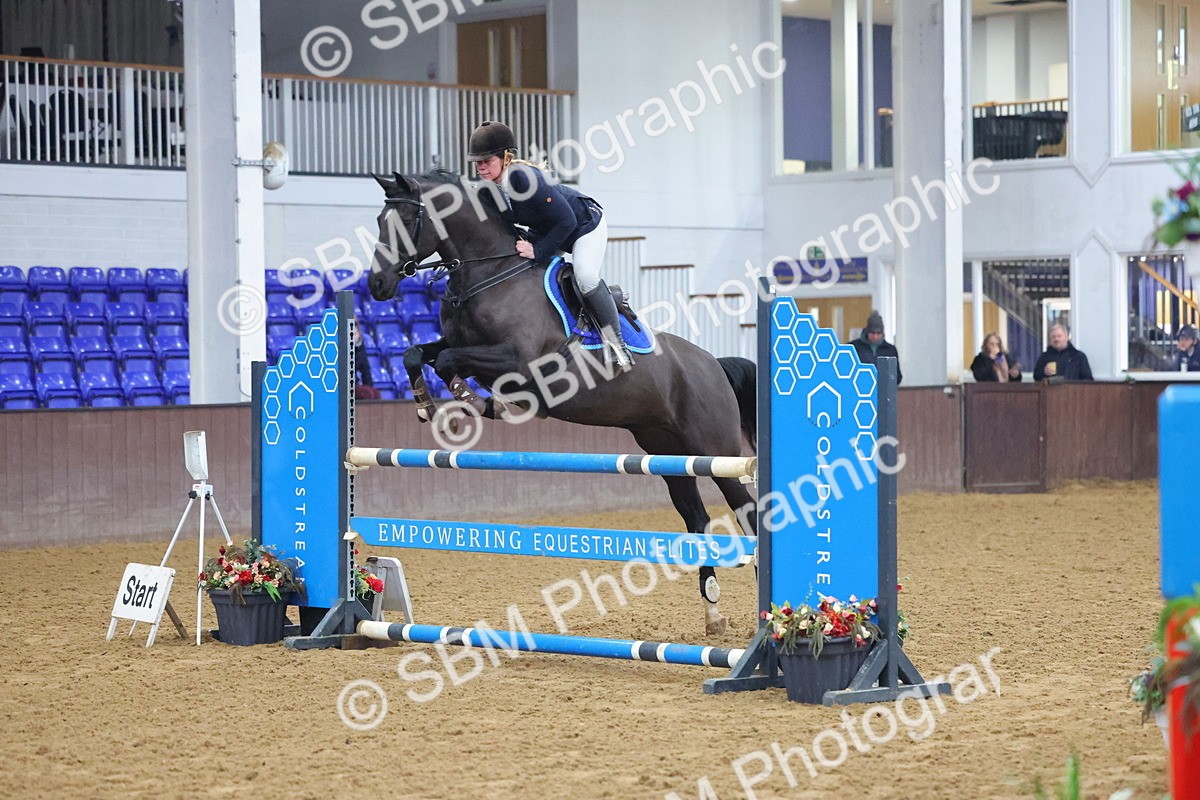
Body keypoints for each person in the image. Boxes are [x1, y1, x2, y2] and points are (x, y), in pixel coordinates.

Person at [467, 120, 633, 371]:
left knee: (585, 276)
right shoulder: (490, 189)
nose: (480, 167)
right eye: (477, 162)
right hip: (550, 229)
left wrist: (538, 250)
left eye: (486, 160)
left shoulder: (522, 178)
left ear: (505, 157)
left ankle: (618, 344)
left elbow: (566, 220)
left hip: (583, 224)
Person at [851, 311, 902, 384]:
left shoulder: (890, 350)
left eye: (878, 333)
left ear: (882, 333)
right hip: (860, 389)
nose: (875, 336)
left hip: (883, 391)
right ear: (867, 331)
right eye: (872, 333)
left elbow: (897, 376)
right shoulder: (854, 348)